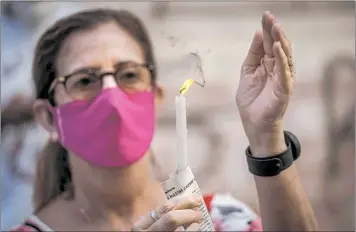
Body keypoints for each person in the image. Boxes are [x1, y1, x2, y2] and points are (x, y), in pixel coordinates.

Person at [11, 9, 317, 231]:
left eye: (129, 75)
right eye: (84, 81)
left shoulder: (220, 220)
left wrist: (267, 139)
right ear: (49, 119)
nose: (112, 98)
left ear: (156, 98)